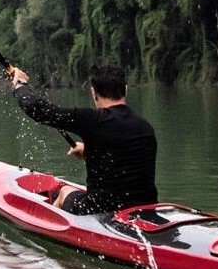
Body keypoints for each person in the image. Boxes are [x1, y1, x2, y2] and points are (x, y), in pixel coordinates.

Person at [11, 64, 158, 215]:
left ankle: (47, 230)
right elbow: (127, 165)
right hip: (146, 211)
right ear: (125, 90)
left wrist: (21, 85)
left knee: (64, 192)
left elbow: (37, 109)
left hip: (100, 210)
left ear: (94, 92)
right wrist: (89, 152)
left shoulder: (92, 120)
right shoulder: (145, 128)